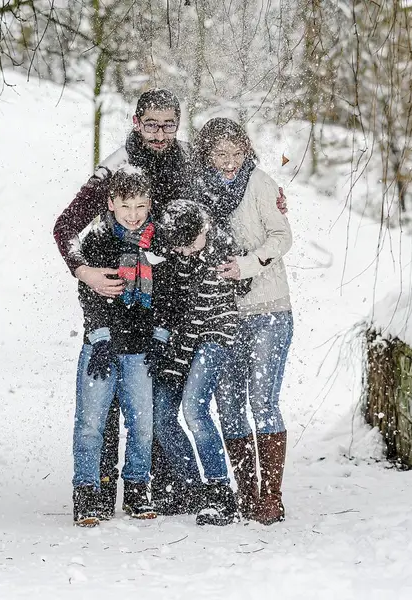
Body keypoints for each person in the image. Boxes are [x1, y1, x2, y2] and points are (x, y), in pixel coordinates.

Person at [53, 90, 287, 517]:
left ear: (178, 124)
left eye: (168, 124)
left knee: (156, 406)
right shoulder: (117, 165)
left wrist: (269, 191)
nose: (160, 133)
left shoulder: (185, 159)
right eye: (151, 124)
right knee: (106, 406)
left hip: (170, 305)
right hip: (118, 299)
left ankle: (164, 488)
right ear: (136, 121)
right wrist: (82, 269)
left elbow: (227, 175)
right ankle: (99, 493)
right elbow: (66, 226)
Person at [194, 118, 294, 525]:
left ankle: (271, 495)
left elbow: (282, 236)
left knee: (263, 402)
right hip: (222, 315)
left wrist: (247, 265)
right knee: (229, 406)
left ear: (247, 151)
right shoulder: (198, 189)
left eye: (237, 153)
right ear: (207, 156)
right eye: (220, 154)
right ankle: (247, 493)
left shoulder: (261, 184)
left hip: (269, 309)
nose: (230, 162)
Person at [70, 169, 164, 527]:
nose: (133, 214)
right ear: (111, 204)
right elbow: (90, 293)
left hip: (140, 349)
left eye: (141, 205)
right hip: (102, 346)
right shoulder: (97, 240)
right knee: (91, 424)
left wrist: (160, 336)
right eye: (125, 205)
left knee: (143, 425)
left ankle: (138, 489)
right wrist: (101, 337)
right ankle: (87, 494)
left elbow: (166, 295)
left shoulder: (157, 243)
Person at [154, 200, 252, 526]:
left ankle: (219, 492)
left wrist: (236, 267)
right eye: (178, 247)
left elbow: (245, 280)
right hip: (182, 343)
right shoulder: (176, 257)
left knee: (194, 409)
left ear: (204, 228)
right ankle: (194, 487)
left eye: (189, 243)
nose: (185, 252)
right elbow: (170, 302)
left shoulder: (223, 247)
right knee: (160, 415)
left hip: (215, 336)